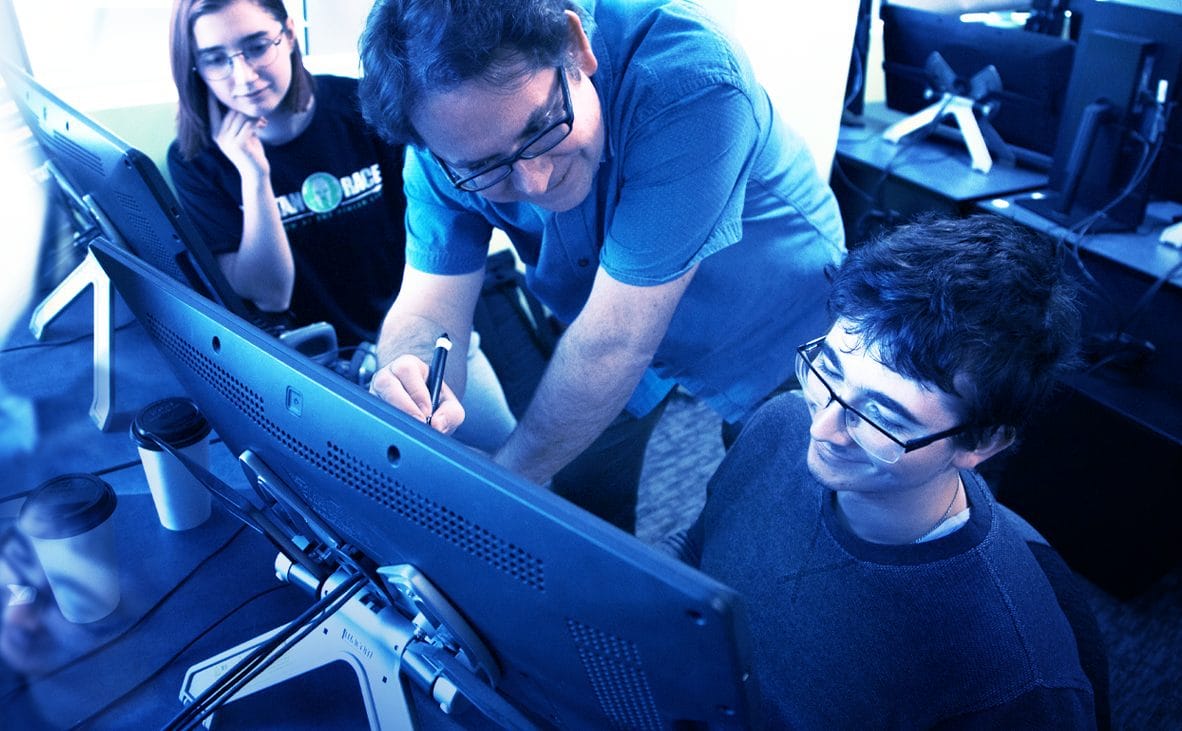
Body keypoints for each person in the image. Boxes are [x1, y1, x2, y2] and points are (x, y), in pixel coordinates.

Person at [357, 0, 846, 532]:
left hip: (763, 317)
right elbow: (428, 306)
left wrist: (501, 487)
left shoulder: (691, 80)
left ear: (575, 48)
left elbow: (617, 339)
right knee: (582, 490)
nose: (536, 182)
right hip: (604, 319)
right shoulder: (444, 139)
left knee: (767, 512)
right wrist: (407, 370)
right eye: (484, 167)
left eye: (541, 128)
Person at [670, 214, 1097, 726]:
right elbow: (697, 559)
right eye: (828, 371)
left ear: (980, 442)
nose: (822, 429)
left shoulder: (1013, 677)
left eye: (880, 416)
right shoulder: (781, 423)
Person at [165, 0, 515, 451]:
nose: (243, 76)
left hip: (417, 338)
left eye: (257, 47)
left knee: (511, 464)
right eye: (215, 59)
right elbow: (270, 292)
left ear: (289, 34)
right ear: (194, 66)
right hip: (318, 370)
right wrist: (254, 174)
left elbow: (436, 235)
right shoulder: (197, 162)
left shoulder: (363, 107)